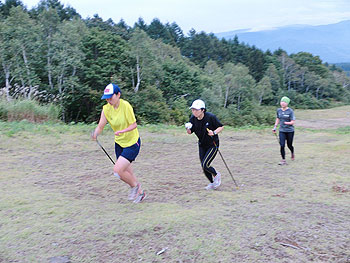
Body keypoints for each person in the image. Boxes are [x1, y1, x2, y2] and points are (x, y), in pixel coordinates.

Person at [91, 83, 146, 203]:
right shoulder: (106, 109)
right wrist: (95, 133)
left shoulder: (126, 106)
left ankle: (134, 187)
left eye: (111, 97)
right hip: (119, 144)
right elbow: (100, 126)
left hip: (132, 143)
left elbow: (134, 124)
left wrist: (123, 131)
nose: (108, 100)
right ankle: (141, 193)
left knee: (118, 170)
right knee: (127, 171)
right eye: (107, 98)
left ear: (118, 95)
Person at [185, 99, 224, 190]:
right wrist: (188, 129)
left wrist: (213, 132)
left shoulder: (210, 117)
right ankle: (212, 183)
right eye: (193, 110)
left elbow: (221, 126)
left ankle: (216, 175)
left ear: (203, 110)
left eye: (196, 110)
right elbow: (190, 132)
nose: (194, 112)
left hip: (212, 144)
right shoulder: (192, 119)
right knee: (203, 166)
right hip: (202, 144)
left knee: (205, 164)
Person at [272, 96, 296, 165]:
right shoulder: (278, 110)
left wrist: (287, 123)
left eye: (284, 102)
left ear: (287, 103)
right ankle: (283, 160)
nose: (282, 103)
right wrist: (275, 127)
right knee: (282, 145)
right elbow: (278, 118)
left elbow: (292, 122)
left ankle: (292, 152)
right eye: (282, 101)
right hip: (282, 130)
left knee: (289, 145)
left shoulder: (290, 111)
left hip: (290, 131)